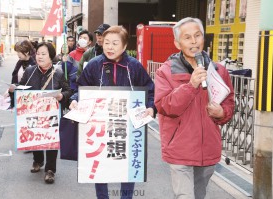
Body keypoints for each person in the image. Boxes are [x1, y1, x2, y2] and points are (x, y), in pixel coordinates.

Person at [69, 26, 156, 199]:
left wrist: (151, 107)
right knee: (100, 162)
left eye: (115, 43)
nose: (110, 47)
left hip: (128, 125)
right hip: (100, 124)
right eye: (107, 42)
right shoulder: (94, 65)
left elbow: (150, 90)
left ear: (124, 46)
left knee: (128, 163)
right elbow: (80, 88)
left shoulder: (134, 66)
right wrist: (74, 100)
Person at [154, 17, 235, 199]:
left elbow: (229, 101)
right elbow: (165, 106)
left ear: (203, 38)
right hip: (179, 147)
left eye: (197, 36)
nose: (193, 41)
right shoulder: (166, 71)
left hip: (208, 146)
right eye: (187, 37)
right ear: (177, 43)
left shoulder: (219, 70)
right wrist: (191, 85)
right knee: (184, 195)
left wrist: (222, 113)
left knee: (199, 194)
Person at [12, 42, 72, 184]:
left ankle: (50, 170)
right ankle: (38, 161)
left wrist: (61, 96)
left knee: (51, 139)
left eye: (43, 54)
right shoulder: (30, 71)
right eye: (38, 54)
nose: (39, 57)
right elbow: (22, 88)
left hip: (51, 113)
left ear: (51, 56)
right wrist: (14, 89)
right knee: (35, 136)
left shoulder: (58, 73)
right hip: (33, 111)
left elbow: (68, 90)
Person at [7, 40, 36, 109]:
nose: (17, 54)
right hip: (18, 96)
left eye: (19, 52)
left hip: (30, 98)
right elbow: (14, 79)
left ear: (26, 52)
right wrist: (11, 90)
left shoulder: (34, 64)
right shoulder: (19, 63)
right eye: (17, 51)